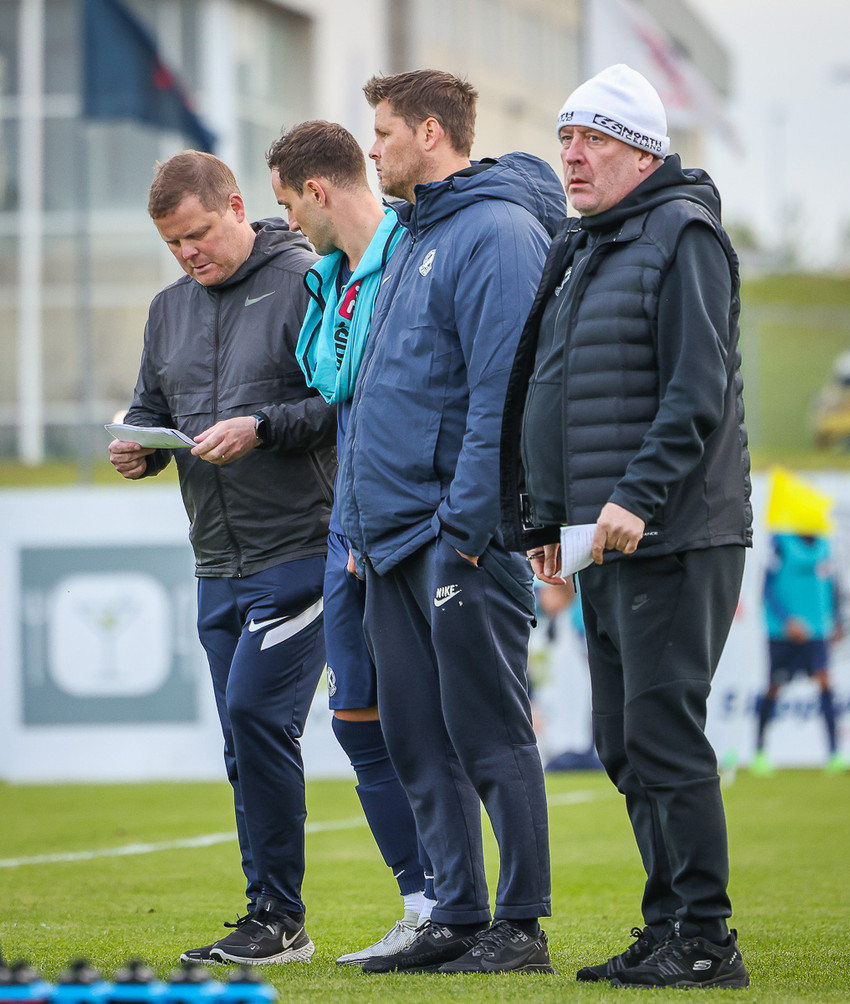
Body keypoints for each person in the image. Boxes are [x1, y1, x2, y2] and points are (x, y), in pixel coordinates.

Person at [500, 64, 753, 989]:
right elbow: (553, 387)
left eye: (594, 139)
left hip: (672, 531)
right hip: (600, 535)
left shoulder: (684, 232)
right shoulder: (586, 242)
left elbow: (697, 389)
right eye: (566, 138)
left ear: (644, 153)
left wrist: (637, 495)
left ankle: (706, 940)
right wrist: (543, 514)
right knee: (621, 741)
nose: (572, 155)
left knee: (662, 733)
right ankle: (667, 925)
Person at [335, 69, 566, 975]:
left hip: (455, 536)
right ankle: (457, 914)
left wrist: (467, 529)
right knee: (416, 737)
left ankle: (521, 924)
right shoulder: (413, 234)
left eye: (384, 133)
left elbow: (502, 393)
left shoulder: (496, 230)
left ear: (431, 133)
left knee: (489, 730)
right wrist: (361, 527)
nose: (372, 150)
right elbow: (379, 395)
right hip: (391, 539)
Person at [109, 151, 335, 966]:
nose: (188, 253)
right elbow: (150, 407)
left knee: (257, 717)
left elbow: (341, 402)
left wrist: (262, 428)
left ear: (237, 207)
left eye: (198, 234)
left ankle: (281, 916)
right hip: (215, 560)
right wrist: (138, 448)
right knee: (244, 741)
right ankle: (271, 916)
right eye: (173, 243)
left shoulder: (306, 279)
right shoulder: (167, 309)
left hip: (302, 548)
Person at [265, 120, 435, 963]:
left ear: (317, 190)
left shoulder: (415, 253)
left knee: (429, 722)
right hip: (350, 523)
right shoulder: (330, 281)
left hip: (413, 521)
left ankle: (467, 905)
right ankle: (420, 902)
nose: (288, 223)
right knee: (354, 715)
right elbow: (334, 391)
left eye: (287, 205)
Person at [753, 468, 847, 775]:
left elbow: (831, 586)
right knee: (774, 687)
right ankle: (759, 752)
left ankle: (835, 754)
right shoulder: (780, 542)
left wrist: (837, 620)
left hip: (817, 631)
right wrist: (787, 620)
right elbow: (767, 589)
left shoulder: (824, 544)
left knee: (825, 683)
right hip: (783, 633)